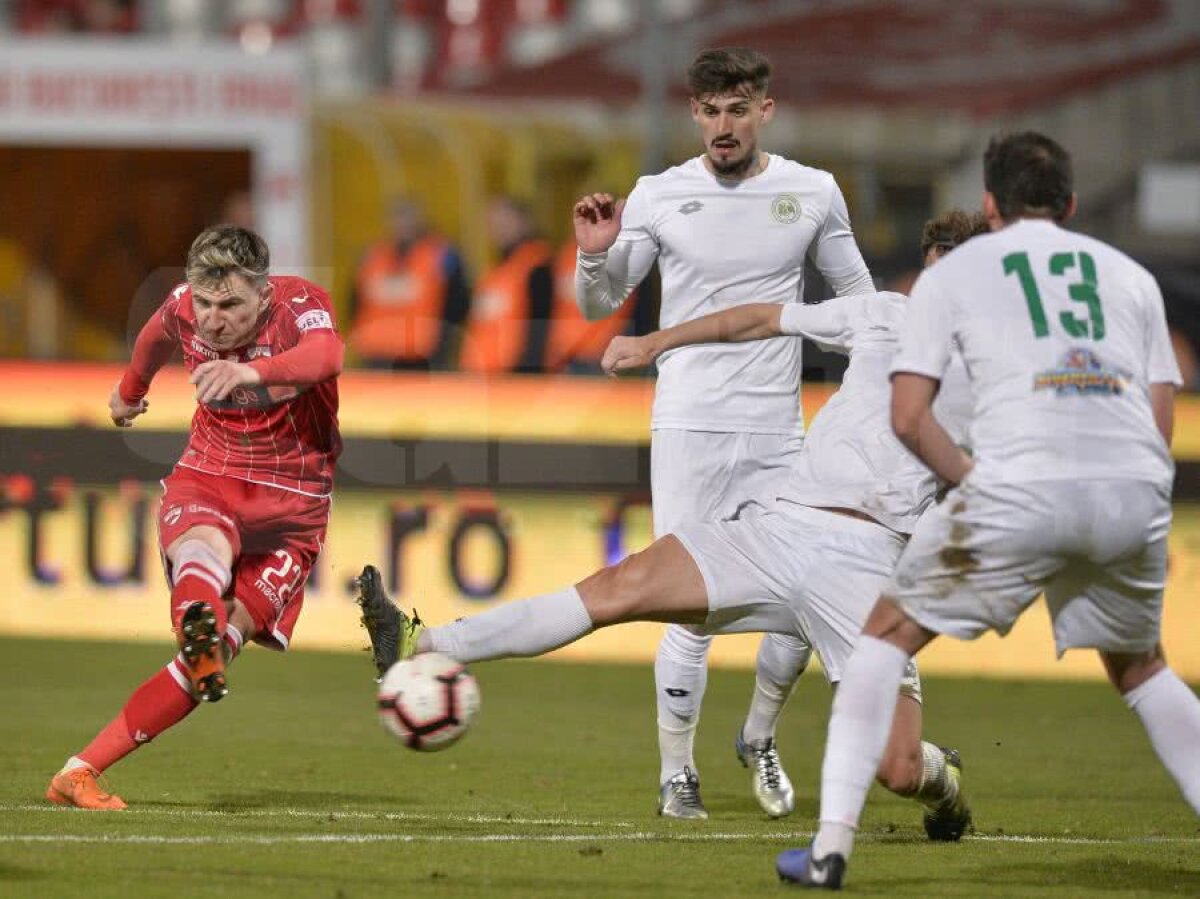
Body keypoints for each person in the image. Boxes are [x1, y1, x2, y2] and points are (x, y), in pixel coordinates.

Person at [356, 208, 987, 842]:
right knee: (617, 587)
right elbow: (760, 317)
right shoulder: (884, 316)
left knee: (900, 771)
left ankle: (944, 783)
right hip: (782, 529)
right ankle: (423, 642)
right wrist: (658, 342)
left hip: (869, 562)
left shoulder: (1001, 372)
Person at [776, 132, 1200, 891]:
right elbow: (1161, 414)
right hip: (1133, 487)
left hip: (1019, 483)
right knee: (1141, 668)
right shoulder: (1131, 278)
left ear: (988, 204)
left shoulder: (952, 275)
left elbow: (909, 417)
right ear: (1069, 204)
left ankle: (830, 850)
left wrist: (970, 483)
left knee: (880, 640)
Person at [571, 46, 874, 819]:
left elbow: (859, 302)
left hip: (777, 428)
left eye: (737, 110)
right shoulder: (658, 193)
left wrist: (870, 397)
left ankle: (759, 734)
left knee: (816, 596)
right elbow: (599, 304)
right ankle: (678, 771)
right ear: (695, 114)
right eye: (709, 111)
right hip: (689, 426)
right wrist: (591, 256)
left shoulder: (812, 192)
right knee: (687, 606)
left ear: (765, 110)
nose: (722, 126)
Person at [45, 225, 344, 810]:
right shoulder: (183, 308)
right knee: (203, 545)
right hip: (211, 471)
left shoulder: (302, 305)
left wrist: (251, 372)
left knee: (219, 649)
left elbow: (327, 356)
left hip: (294, 504)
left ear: (263, 294)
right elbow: (155, 337)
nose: (212, 320)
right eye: (205, 302)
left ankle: (76, 771)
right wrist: (130, 391)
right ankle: (196, 620)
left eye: (230, 304)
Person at [348, 198, 471, 371]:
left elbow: (459, 301)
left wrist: (444, 341)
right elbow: (355, 301)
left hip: (423, 353)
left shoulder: (442, 255)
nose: (402, 224)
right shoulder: (372, 257)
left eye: (408, 218)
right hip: (376, 352)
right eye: (397, 218)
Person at [458, 196, 553, 374]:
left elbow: (541, 327)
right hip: (483, 372)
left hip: (513, 375)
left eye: (506, 220)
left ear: (525, 222)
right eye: (493, 222)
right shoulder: (494, 272)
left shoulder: (538, 267)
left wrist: (528, 374)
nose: (499, 228)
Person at [546, 238, 636, 374]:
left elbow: (621, 315)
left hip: (596, 355)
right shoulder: (567, 253)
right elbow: (559, 309)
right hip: (564, 354)